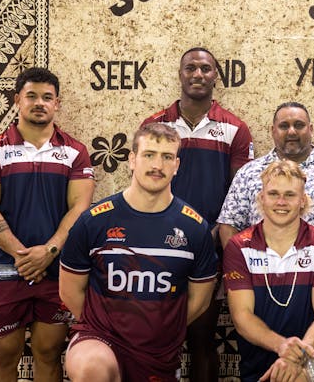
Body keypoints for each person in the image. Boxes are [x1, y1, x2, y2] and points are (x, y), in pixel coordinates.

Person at [217, 102, 314, 381]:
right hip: (260, 281)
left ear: (311, 129)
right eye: (284, 125)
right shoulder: (250, 172)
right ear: (272, 131)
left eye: (299, 125)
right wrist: (238, 262)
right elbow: (228, 222)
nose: (292, 131)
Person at [59, 123, 218, 382]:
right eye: (149, 155)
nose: (157, 165)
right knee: (92, 368)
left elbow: (199, 301)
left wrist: (162, 330)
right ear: (132, 160)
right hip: (100, 338)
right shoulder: (95, 221)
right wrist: (108, 327)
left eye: (167, 157)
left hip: (159, 351)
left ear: (176, 165)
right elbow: (69, 291)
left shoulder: (194, 228)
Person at [0, 67, 95, 382]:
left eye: (47, 97)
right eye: (31, 96)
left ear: (57, 104)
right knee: (4, 355)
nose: (39, 103)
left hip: (57, 269)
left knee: (49, 354)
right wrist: (23, 255)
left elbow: (80, 209)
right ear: (17, 100)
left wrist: (49, 251)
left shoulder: (75, 152)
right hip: (2, 267)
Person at [142, 47, 253, 381]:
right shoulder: (155, 125)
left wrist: (220, 231)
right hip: (159, 244)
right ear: (180, 74)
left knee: (202, 339)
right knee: (157, 338)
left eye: (206, 68)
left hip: (210, 246)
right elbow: (145, 183)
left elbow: (240, 192)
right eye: (190, 68)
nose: (198, 74)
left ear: (215, 75)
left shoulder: (235, 128)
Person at [223, 160, 314, 381]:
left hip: (308, 363)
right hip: (256, 368)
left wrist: (294, 357)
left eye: (290, 195)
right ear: (261, 198)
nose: (281, 202)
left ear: (302, 200)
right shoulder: (239, 247)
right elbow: (242, 317)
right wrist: (283, 346)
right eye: (273, 194)